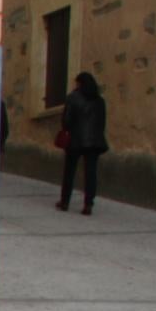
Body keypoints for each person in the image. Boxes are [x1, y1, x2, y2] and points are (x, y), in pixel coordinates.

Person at [56, 71, 108, 214]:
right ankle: (88, 204)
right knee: (91, 173)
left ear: (79, 83)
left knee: (69, 171)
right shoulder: (100, 100)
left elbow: (66, 120)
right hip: (94, 141)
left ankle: (65, 201)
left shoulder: (73, 98)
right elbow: (102, 122)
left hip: (75, 140)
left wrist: (67, 129)